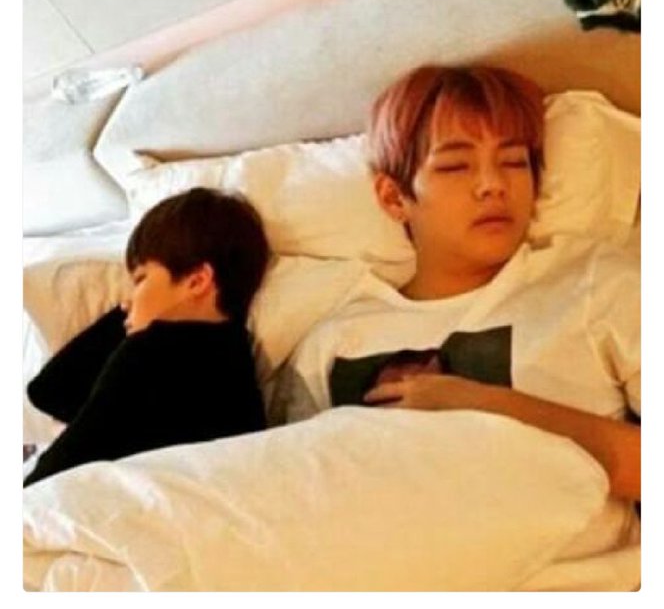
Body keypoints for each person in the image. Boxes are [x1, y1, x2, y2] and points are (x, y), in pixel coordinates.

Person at [282, 64, 640, 501]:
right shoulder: (332, 343)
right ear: (394, 198)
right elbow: (291, 499)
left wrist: (488, 406)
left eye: (514, 162)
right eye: (455, 166)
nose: (493, 185)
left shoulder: (597, 285)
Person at [24, 188, 270, 487]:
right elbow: (51, 394)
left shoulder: (151, 354)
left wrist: (133, 326)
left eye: (141, 279)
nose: (127, 300)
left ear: (197, 281)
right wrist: (133, 316)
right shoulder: (237, 362)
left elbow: (50, 471)